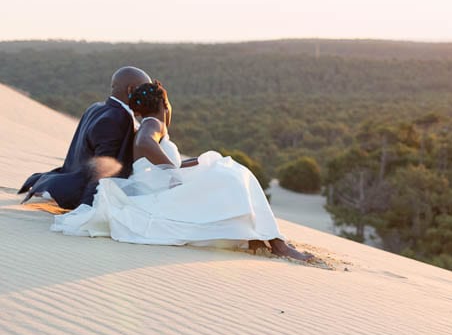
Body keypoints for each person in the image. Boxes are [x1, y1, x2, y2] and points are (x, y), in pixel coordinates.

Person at [52, 81, 313, 261]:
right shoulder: (153, 123)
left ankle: (258, 237)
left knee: (225, 169)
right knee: (234, 174)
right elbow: (146, 144)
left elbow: (150, 159)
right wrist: (173, 172)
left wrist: (189, 164)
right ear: (165, 104)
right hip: (156, 192)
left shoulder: (148, 123)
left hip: (154, 187)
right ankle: (276, 242)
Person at [20, 66, 151, 209]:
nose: (147, 97)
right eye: (144, 91)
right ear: (131, 90)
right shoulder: (116, 119)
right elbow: (103, 168)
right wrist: (87, 208)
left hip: (70, 177)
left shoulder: (96, 107)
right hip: (80, 191)